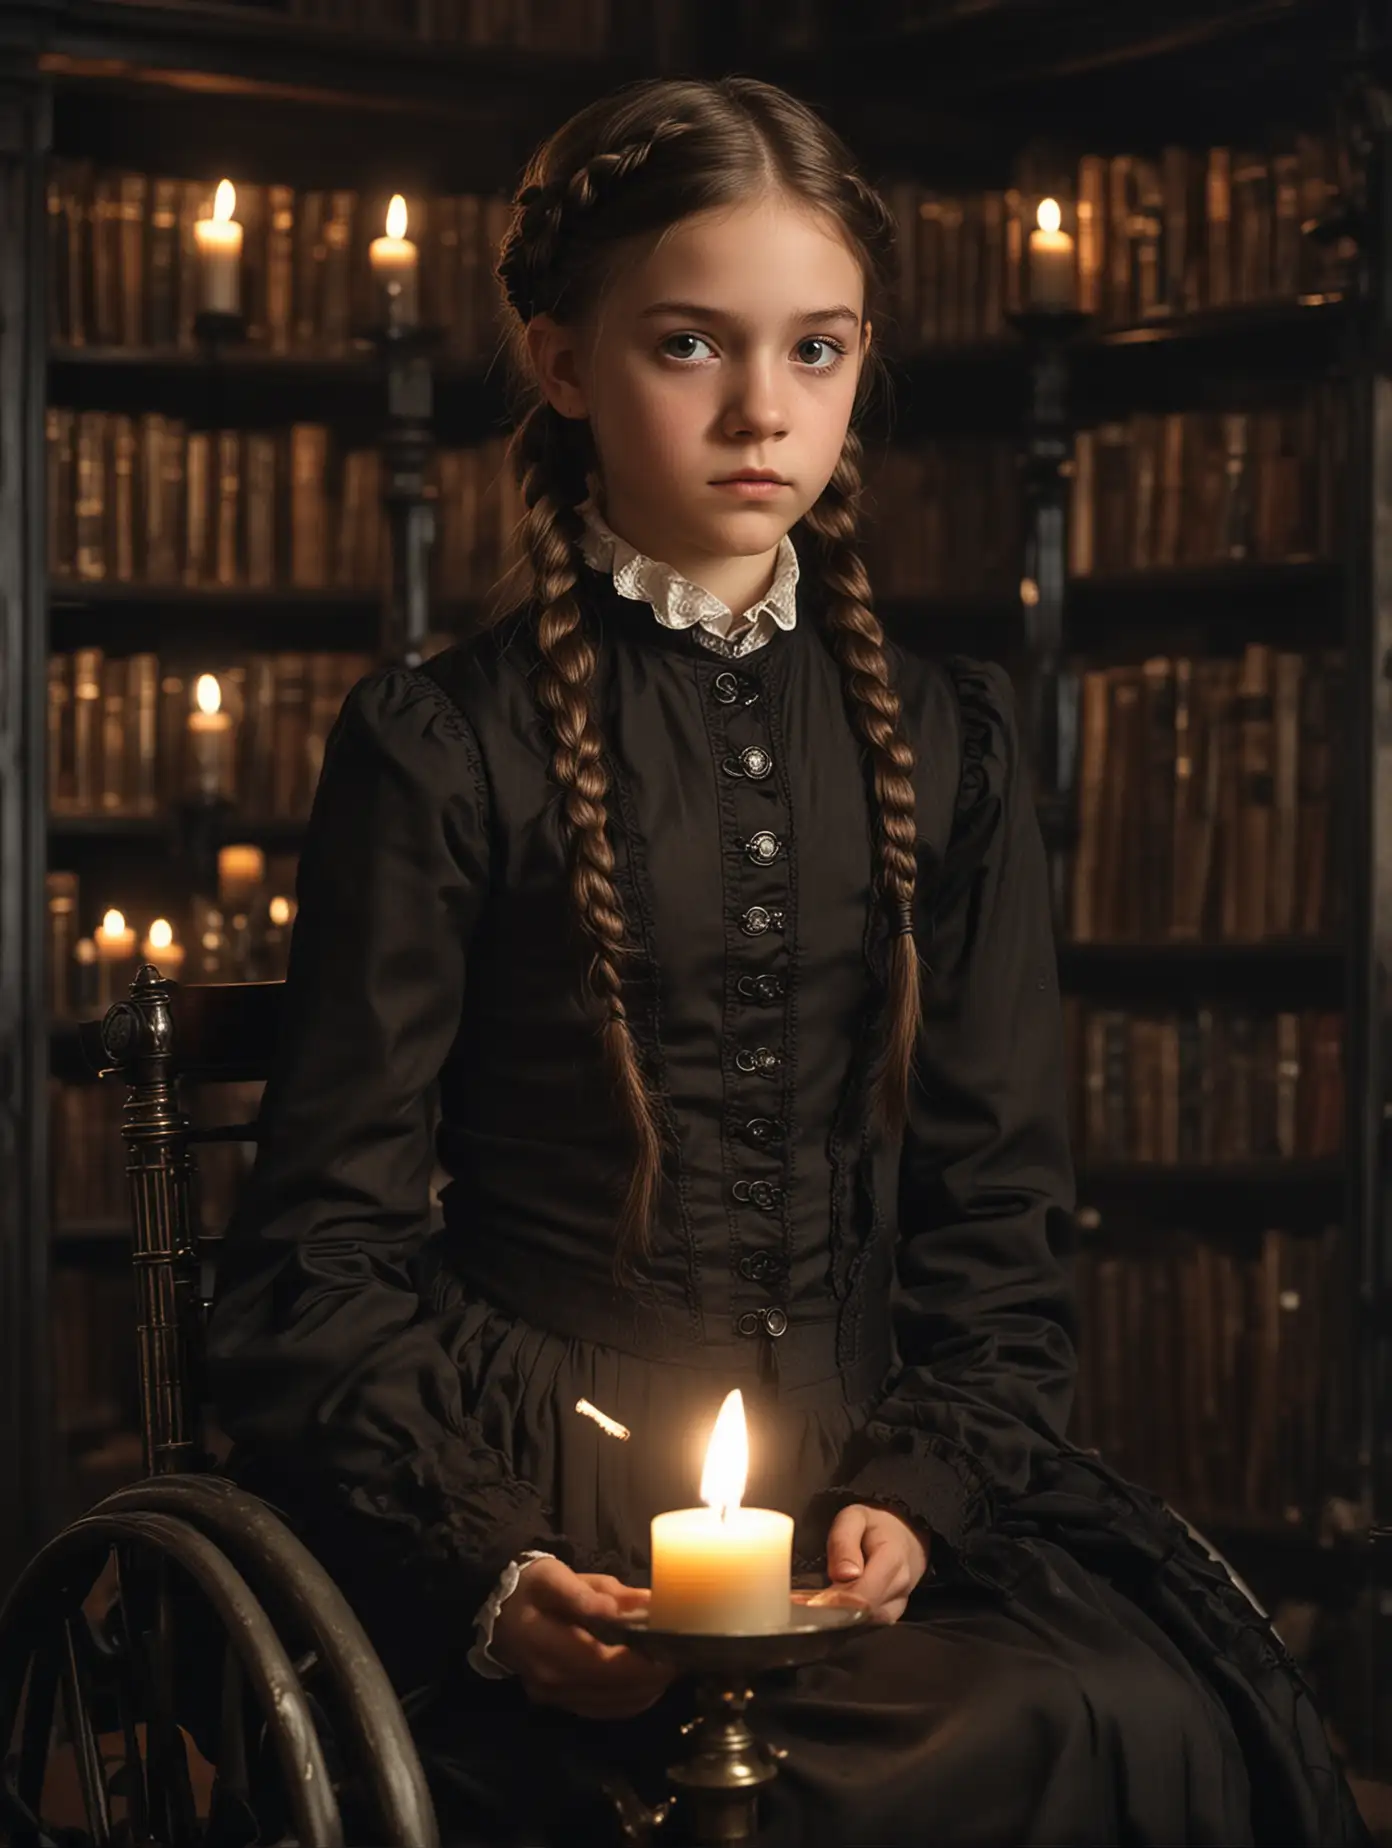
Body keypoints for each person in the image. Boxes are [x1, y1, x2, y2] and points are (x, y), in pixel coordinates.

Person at [207, 75, 1370, 1848]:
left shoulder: (954, 743)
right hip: (529, 1491)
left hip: (866, 1509)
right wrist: (492, 1562)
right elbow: (317, 1265)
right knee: (804, 1779)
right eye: (690, 346)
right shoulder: (445, 748)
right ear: (561, 362)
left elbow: (997, 1225)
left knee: (1122, 1709)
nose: (765, 409)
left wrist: (917, 1493)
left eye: (818, 350)